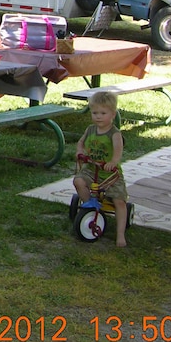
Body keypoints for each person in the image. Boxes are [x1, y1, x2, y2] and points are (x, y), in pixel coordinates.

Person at [74, 91, 128, 247]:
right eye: (95, 112)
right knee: (78, 180)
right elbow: (81, 143)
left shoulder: (114, 133)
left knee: (119, 201)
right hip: (92, 169)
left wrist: (113, 161)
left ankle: (120, 235)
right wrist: (80, 151)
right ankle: (89, 207)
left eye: (103, 113)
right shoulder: (90, 129)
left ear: (112, 114)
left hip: (110, 174)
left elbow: (118, 151)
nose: (98, 116)